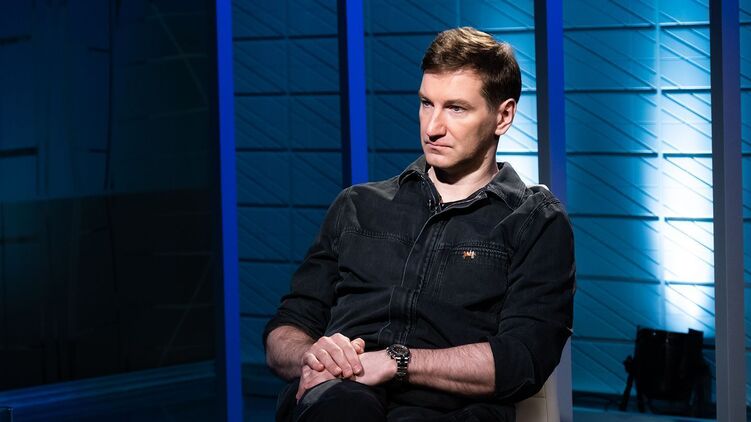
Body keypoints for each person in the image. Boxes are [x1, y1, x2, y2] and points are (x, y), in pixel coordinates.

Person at [263, 27, 575, 422]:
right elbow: (285, 330)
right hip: (340, 396)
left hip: (448, 410)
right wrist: (313, 355)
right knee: (344, 407)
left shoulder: (534, 221)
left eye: (456, 108)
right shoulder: (357, 205)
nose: (432, 127)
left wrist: (396, 361)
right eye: (427, 103)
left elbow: (522, 360)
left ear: (503, 116)